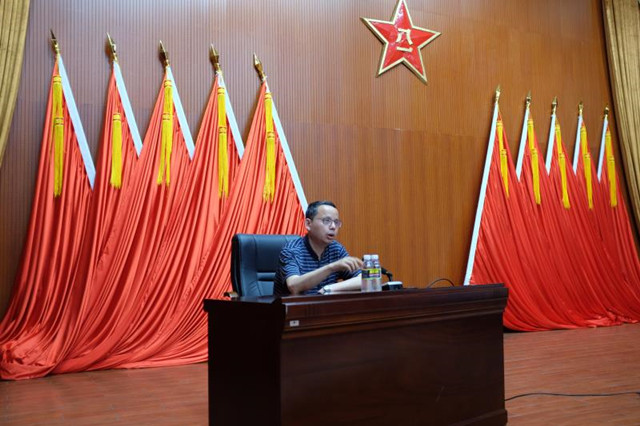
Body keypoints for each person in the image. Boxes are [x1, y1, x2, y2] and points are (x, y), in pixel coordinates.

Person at [274, 200, 363, 296]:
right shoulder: (292, 250)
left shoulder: (336, 249)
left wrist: (329, 288)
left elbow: (364, 279)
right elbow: (293, 286)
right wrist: (331, 268)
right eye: (327, 221)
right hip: (293, 305)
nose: (333, 227)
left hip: (324, 305)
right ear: (308, 224)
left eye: (336, 222)